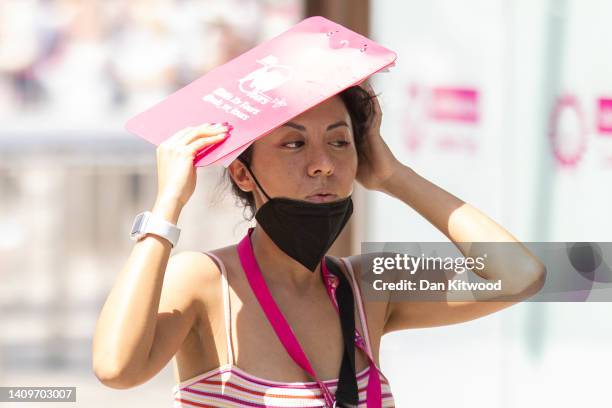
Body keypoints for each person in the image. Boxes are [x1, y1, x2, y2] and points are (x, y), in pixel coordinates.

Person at [92, 82, 546, 407]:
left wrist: (393, 176)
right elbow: (116, 370)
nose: (323, 164)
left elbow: (521, 275)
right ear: (242, 173)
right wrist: (169, 202)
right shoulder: (206, 281)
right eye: (293, 143)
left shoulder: (368, 286)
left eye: (340, 141)